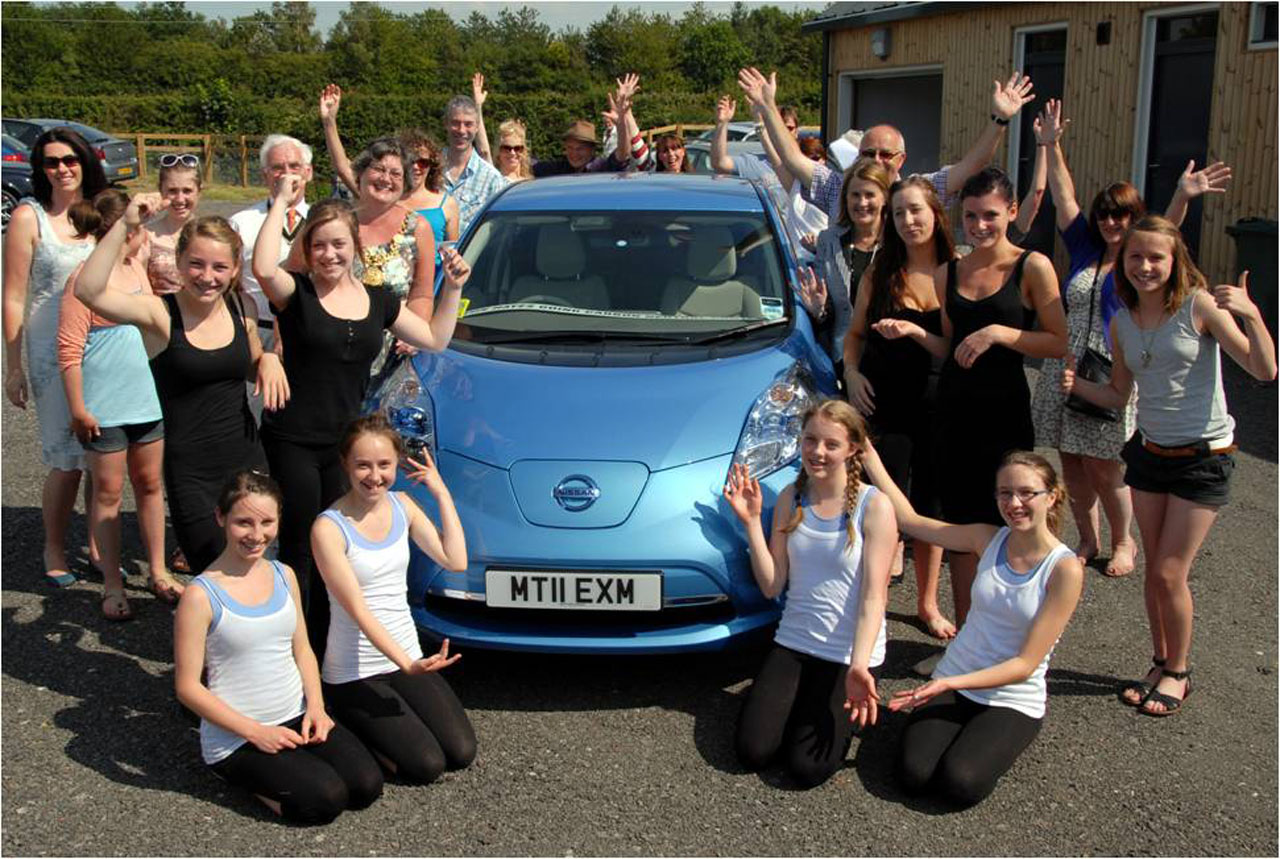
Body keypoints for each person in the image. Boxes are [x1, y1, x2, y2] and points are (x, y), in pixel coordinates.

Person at [1062, 215, 1276, 716]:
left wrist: (1251, 314)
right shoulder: (1122, 322)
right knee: (1154, 574)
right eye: (1136, 256)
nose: (1145, 266)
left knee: (1168, 572)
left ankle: (1179, 672)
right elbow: (1118, 393)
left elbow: (1264, 369)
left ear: (1175, 260)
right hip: (1150, 452)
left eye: (1156, 257)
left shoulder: (1198, 308)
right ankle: (1159, 661)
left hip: (1204, 456)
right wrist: (1075, 387)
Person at [251, 180, 471, 658]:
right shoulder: (298, 294)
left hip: (346, 447)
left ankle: (335, 649)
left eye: (338, 244)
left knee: (340, 550)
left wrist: (451, 287)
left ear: (355, 245)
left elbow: (435, 338)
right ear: (307, 250)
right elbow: (263, 266)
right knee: (301, 547)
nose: (329, 254)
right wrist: (284, 205)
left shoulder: (378, 301)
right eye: (319, 245)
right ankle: (297, 653)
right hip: (293, 438)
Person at [1032, 99, 1231, 577]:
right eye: (1105, 215)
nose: (1110, 223)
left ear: (1135, 218)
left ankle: (1124, 543)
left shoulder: (1139, 263)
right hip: (1065, 370)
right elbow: (1064, 199)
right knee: (1072, 463)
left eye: (1121, 216)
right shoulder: (1085, 247)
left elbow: (1167, 234)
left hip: (1110, 368)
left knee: (1106, 466)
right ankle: (1087, 537)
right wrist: (1052, 144)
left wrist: (1182, 197)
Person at [72, 193, 285, 577]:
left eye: (220, 267)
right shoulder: (159, 312)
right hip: (191, 472)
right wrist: (125, 225)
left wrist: (268, 359)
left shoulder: (242, 308)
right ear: (179, 262)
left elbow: (252, 365)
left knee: (258, 569)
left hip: (248, 461)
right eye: (196, 264)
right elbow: (88, 291)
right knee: (214, 575)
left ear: (235, 268)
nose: (207, 276)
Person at [865, 445, 1083, 808]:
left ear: (1052, 496)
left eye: (1027, 492)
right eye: (1005, 493)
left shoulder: (1064, 569)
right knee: (912, 775)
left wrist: (946, 682)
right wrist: (867, 451)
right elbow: (910, 520)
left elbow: (1025, 665)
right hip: (956, 676)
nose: (1015, 503)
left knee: (959, 784)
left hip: (1012, 696)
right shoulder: (987, 537)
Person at [174, 470, 383, 824]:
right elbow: (188, 688)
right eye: (244, 522)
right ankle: (231, 772)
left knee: (365, 786)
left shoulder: (284, 575)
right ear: (221, 518)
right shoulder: (200, 596)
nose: (257, 535)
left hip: (296, 713)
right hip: (239, 736)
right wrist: (257, 732)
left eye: (267, 522)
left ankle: (295, 765)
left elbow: (301, 649)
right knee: (325, 800)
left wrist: (316, 707)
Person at [724, 399, 894, 788]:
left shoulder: (874, 507)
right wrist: (752, 523)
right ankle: (793, 697)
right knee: (753, 751)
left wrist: (861, 666)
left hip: (847, 653)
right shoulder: (790, 497)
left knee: (807, 769)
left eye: (831, 444)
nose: (817, 452)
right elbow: (772, 585)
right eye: (810, 440)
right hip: (795, 641)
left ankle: (824, 700)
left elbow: (873, 599)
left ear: (853, 448)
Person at [934, 167, 1067, 626]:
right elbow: (950, 345)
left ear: (1012, 211)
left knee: (1015, 520)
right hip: (953, 414)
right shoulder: (947, 271)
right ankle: (970, 633)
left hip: (1004, 414)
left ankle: (1014, 631)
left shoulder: (1032, 266)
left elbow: (1058, 340)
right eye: (970, 217)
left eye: (989, 215)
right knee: (961, 526)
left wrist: (1000, 333)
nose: (979, 226)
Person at [313, 415, 476, 783]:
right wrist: (406, 663)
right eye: (363, 465)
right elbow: (357, 610)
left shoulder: (403, 505)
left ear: (396, 464)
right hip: (355, 672)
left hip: (406, 659)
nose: (374, 476)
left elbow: (455, 559)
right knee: (425, 766)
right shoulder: (328, 528)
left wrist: (441, 492)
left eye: (384, 465)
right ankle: (346, 719)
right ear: (345, 465)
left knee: (461, 752)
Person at [843, 174, 957, 640]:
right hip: (880, 402)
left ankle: (928, 603)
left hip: (933, 404)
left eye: (916, 211)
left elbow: (956, 349)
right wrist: (851, 375)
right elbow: (854, 336)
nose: (908, 221)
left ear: (935, 215)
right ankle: (873, 599)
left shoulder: (957, 271)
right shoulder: (880, 270)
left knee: (931, 503)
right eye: (899, 213)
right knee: (880, 503)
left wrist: (915, 333)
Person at [57, 189, 169, 620]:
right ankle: (111, 581)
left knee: (150, 485)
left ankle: (157, 570)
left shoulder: (137, 270)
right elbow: (69, 349)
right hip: (104, 405)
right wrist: (78, 408)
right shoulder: (82, 279)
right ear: (127, 231)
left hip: (144, 400)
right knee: (106, 493)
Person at [3, 126, 107, 587]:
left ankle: (100, 546)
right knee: (67, 460)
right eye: (51, 162)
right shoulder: (31, 217)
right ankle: (54, 545)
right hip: (51, 350)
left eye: (70, 159)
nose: (62, 169)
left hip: (103, 347)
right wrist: (13, 367)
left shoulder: (102, 212)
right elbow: (13, 296)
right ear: (40, 169)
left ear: (85, 162)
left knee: (103, 456)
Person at [738, 66, 1035, 218]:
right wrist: (767, 107)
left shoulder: (922, 192)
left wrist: (999, 120)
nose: (877, 160)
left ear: (901, 159)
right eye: (868, 153)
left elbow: (973, 166)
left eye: (886, 154)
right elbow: (792, 157)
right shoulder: (838, 189)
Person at [228, 134, 315, 354]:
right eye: (277, 167)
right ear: (264, 175)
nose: (286, 174)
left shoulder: (324, 219)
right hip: (259, 331)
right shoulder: (240, 222)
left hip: (313, 329)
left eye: (294, 166)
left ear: (308, 172)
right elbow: (231, 284)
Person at [801, 157, 891, 363]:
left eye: (870, 195)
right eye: (855, 195)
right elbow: (827, 313)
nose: (862, 203)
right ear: (846, 198)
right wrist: (819, 310)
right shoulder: (828, 240)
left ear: (885, 198)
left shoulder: (898, 242)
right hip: (843, 357)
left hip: (889, 357)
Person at [439, 94, 506, 233]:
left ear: (477, 127)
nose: (461, 130)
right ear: (445, 124)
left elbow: (499, 230)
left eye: (468, 124)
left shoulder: (492, 179)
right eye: (455, 123)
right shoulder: (428, 170)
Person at [144, 154, 203, 296]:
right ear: (161, 190)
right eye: (172, 191)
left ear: (199, 191)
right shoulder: (146, 236)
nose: (180, 199)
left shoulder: (211, 233)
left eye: (187, 191)